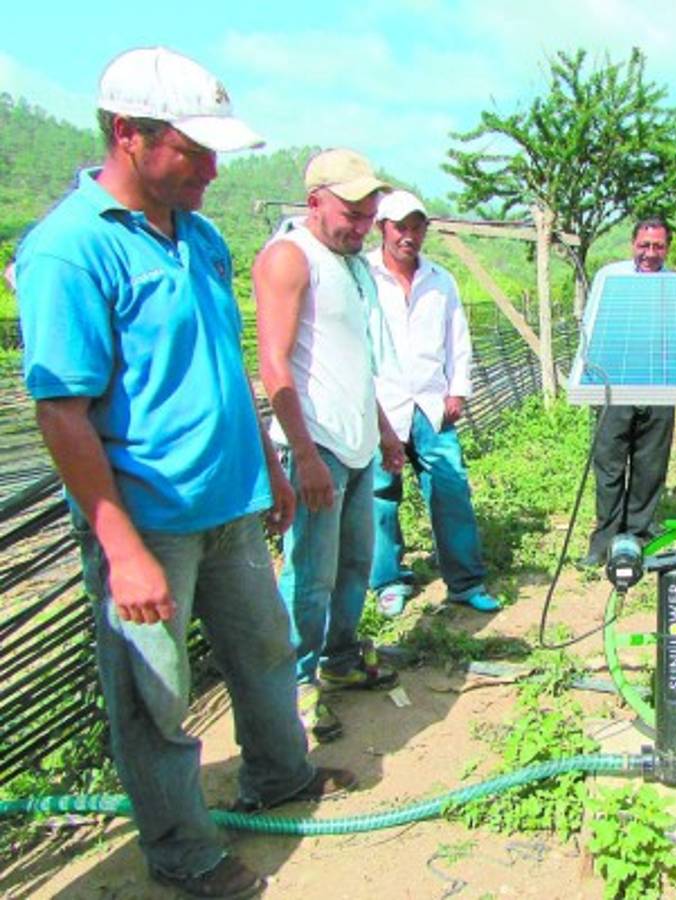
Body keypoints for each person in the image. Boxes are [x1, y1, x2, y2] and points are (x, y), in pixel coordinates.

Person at [16, 46, 353, 899]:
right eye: (194, 149)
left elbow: (220, 364)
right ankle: (181, 851)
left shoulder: (200, 238)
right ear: (128, 136)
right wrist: (120, 549)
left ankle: (279, 777)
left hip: (232, 501)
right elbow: (62, 412)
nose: (212, 167)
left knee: (266, 653)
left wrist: (267, 470)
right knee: (154, 701)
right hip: (151, 520)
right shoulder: (70, 251)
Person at [254, 149, 406, 744]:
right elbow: (274, 364)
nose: (362, 224)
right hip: (315, 445)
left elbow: (354, 365)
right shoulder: (291, 257)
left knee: (353, 565)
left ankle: (339, 659)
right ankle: (293, 684)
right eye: (352, 212)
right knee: (309, 573)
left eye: (370, 213)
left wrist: (386, 433)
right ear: (315, 200)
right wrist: (306, 456)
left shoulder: (349, 265)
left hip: (357, 444)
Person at [366, 190, 501, 615]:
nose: (409, 236)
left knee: (450, 489)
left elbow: (457, 339)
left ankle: (464, 582)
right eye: (400, 227)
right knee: (380, 494)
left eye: (416, 227)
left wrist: (457, 389)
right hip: (380, 403)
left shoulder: (441, 280)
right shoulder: (361, 276)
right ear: (381, 228)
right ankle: (388, 580)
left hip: (430, 402)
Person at [582, 217, 675, 566]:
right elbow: (592, 326)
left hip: (659, 384)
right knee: (608, 464)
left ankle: (639, 534)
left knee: (650, 464)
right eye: (644, 245)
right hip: (615, 383)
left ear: (667, 248)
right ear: (632, 244)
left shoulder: (674, 284)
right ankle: (605, 541)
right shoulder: (611, 278)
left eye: (658, 246)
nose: (650, 253)